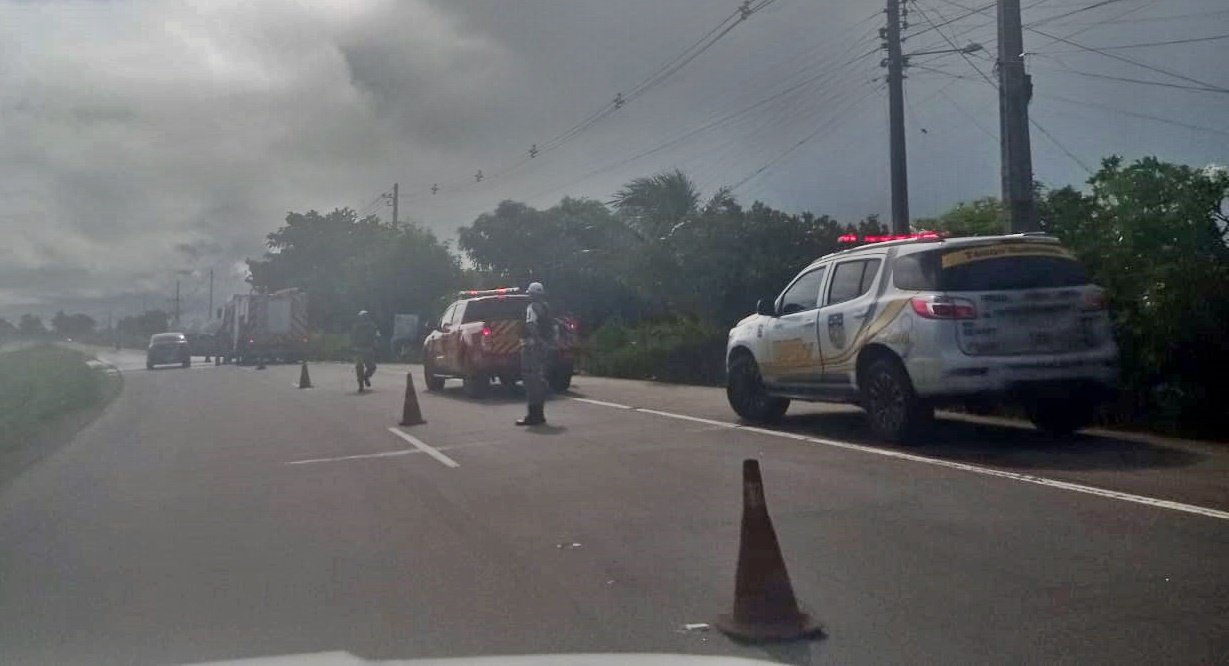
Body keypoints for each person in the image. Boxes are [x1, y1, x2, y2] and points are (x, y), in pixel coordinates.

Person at [517, 282, 555, 426]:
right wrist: (547, 344)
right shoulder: (546, 308)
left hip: (531, 348)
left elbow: (531, 325)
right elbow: (552, 328)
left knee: (530, 382)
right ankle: (540, 415)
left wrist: (538, 341)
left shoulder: (532, 307)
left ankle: (533, 416)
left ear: (532, 294)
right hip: (543, 349)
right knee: (539, 380)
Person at [350, 310, 380, 392]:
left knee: (364, 367)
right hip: (365, 349)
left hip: (362, 349)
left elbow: (352, 338)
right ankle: (364, 379)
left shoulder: (357, 327)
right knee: (368, 367)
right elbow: (376, 337)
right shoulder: (371, 326)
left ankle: (363, 380)